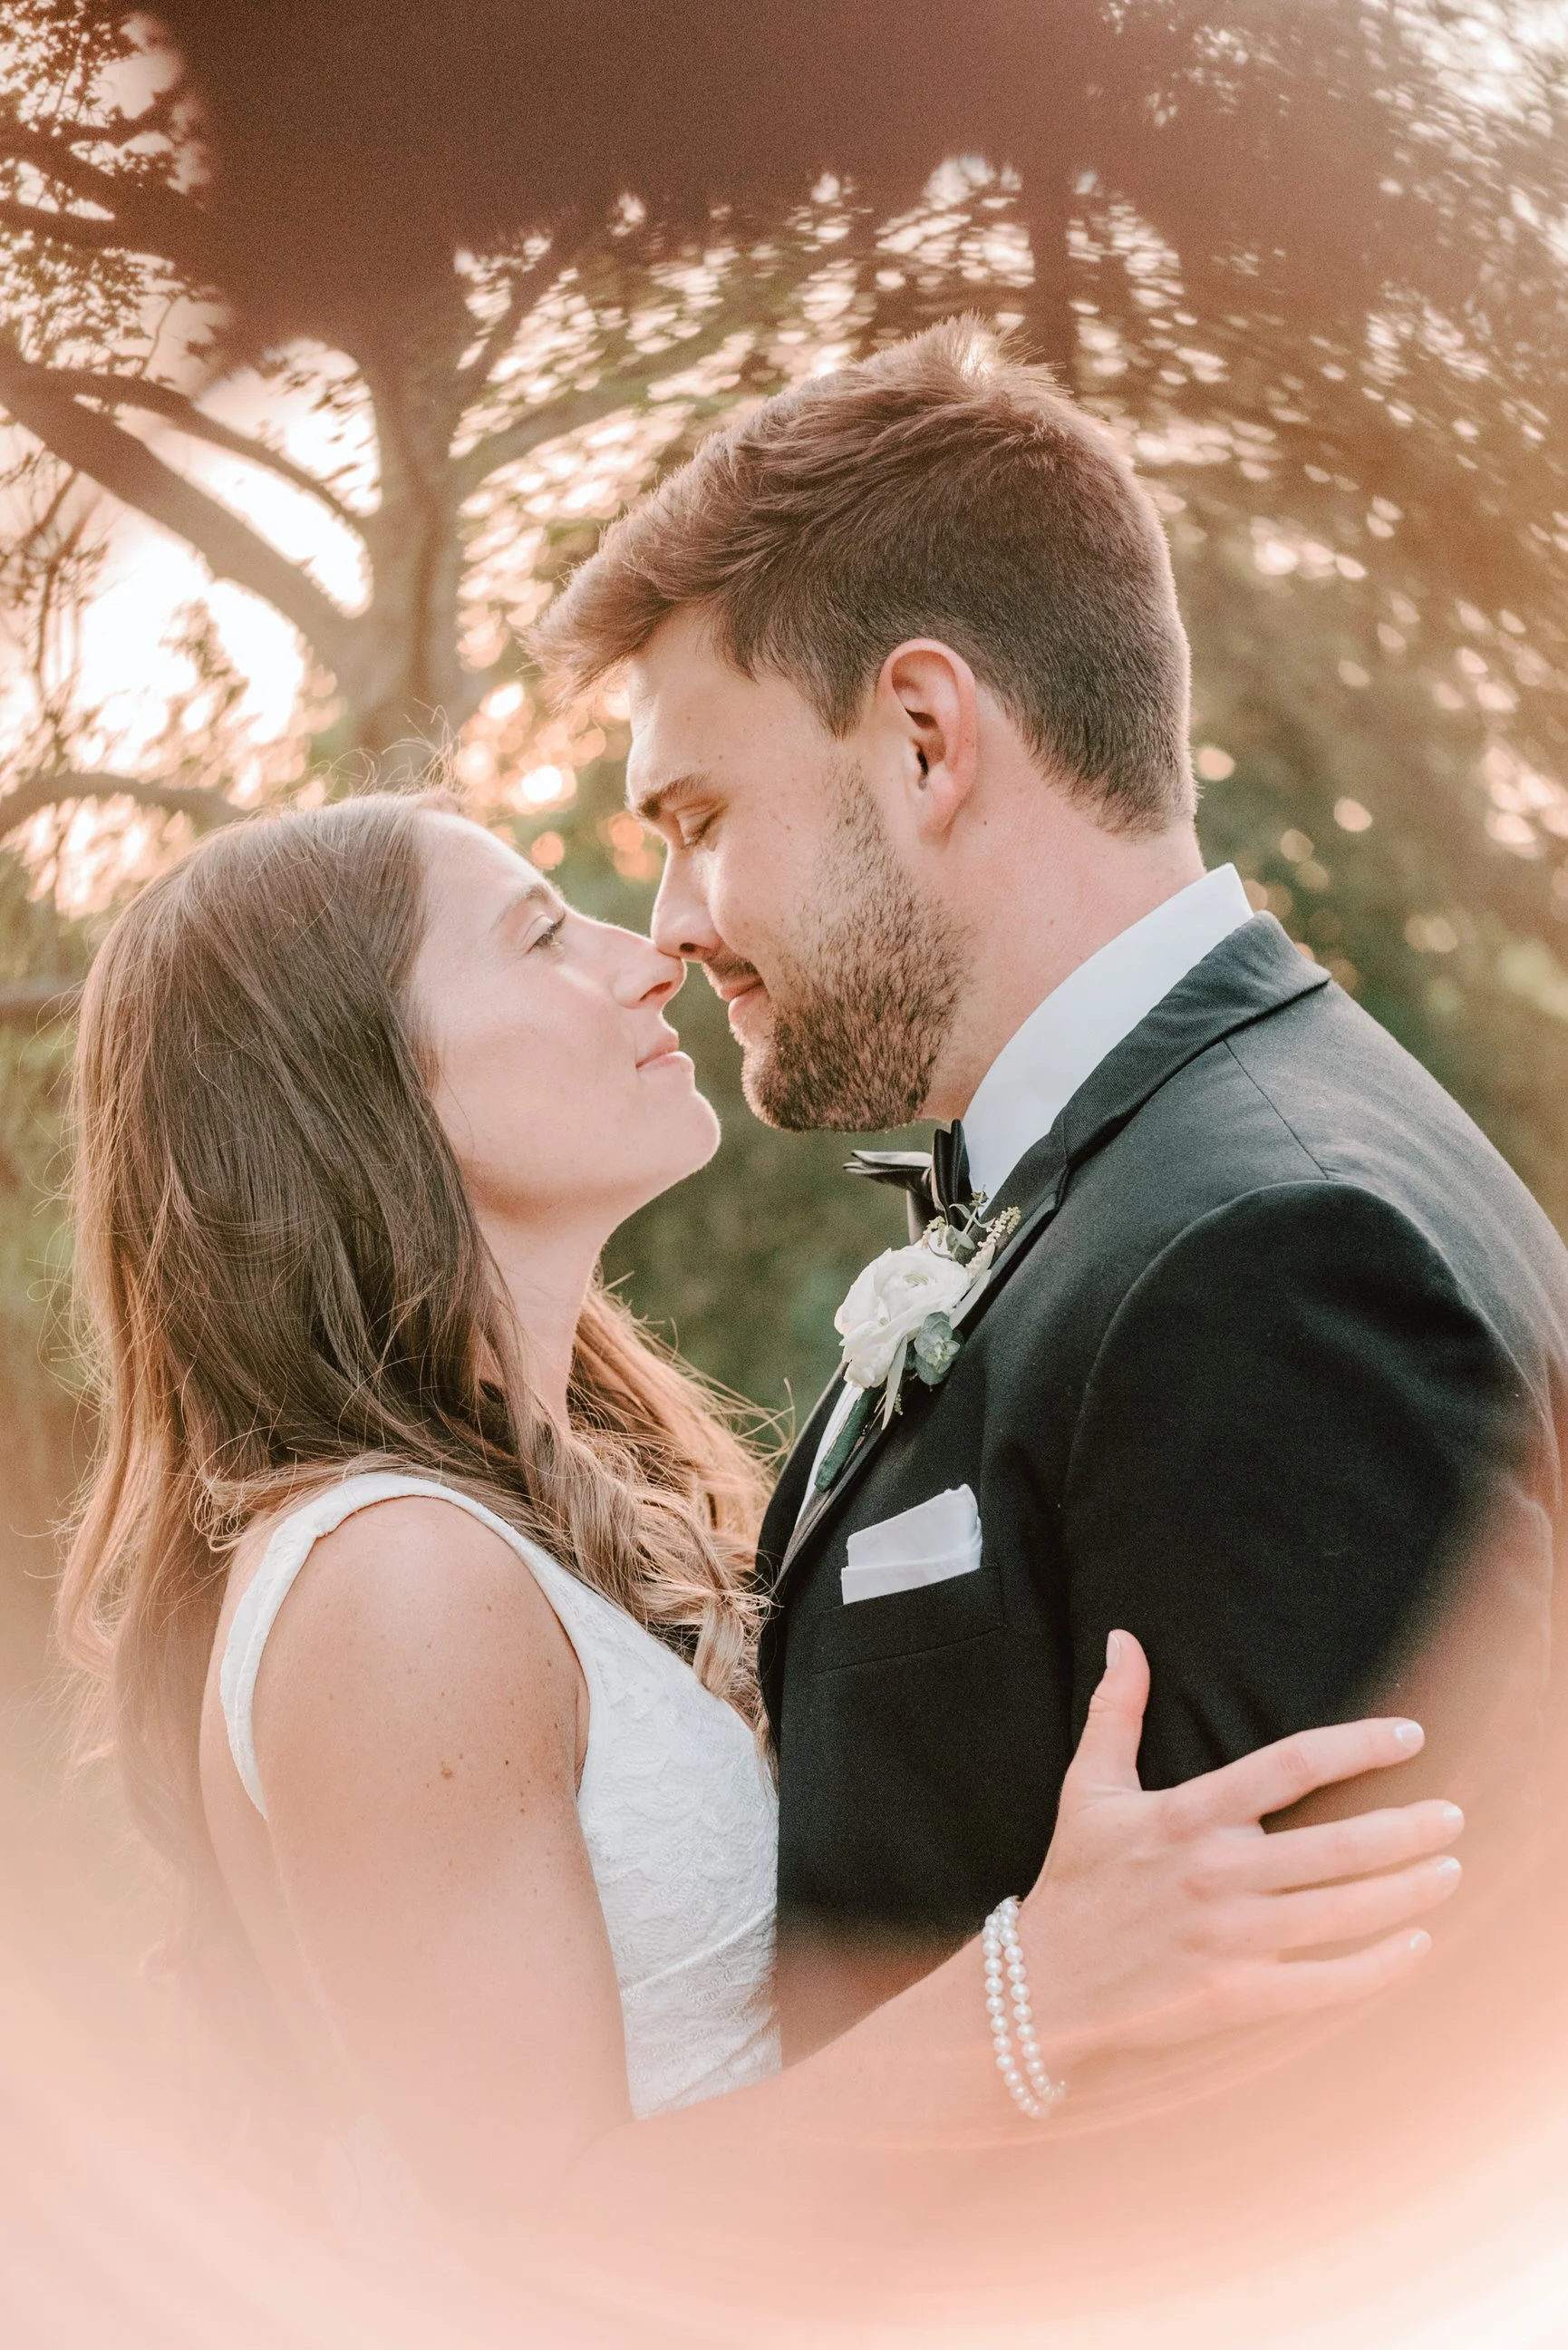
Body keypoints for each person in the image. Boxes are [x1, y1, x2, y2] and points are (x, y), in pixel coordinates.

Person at [59, 796, 1461, 2238]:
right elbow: (539, 2263)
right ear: (347, 1087)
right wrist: (1038, 1992)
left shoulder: (573, 1502)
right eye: (540, 933)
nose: (648, 953)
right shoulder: (394, 1583)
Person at [533, 316, 1568, 2060]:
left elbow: (1324, 2095)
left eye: (698, 816)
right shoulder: (1148, 1177)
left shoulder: (1265, 1254)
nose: (676, 923)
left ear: (925, 739)